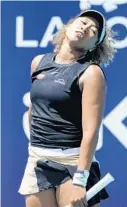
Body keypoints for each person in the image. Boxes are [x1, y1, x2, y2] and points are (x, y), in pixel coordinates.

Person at [19, 9, 117, 207]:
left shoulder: (91, 73)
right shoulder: (38, 62)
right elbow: (35, 107)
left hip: (73, 163)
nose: (86, 27)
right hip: (38, 159)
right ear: (68, 27)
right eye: (83, 22)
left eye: (94, 30)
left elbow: (91, 132)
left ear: (94, 45)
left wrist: (81, 179)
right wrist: (36, 148)